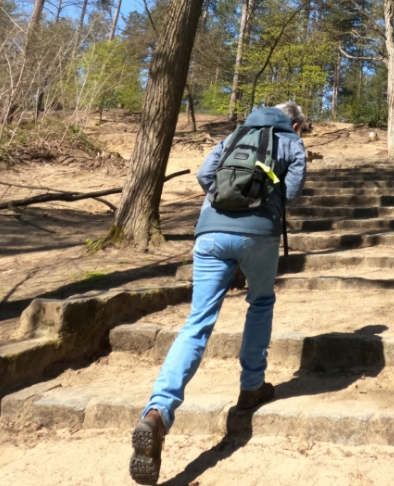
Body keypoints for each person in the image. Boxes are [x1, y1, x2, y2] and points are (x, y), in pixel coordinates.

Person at [129, 101, 308, 485]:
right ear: (293, 122)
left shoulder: (235, 135)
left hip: (209, 231)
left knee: (197, 322)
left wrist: (227, 201)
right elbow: (292, 191)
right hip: (259, 234)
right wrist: (261, 202)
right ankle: (250, 387)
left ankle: (158, 412)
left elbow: (204, 174)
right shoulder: (291, 141)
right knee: (260, 303)